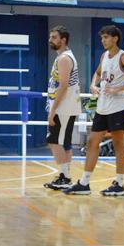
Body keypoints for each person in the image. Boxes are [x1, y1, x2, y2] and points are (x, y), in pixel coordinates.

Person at [65, 25, 124, 196]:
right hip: (102, 106)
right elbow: (97, 73)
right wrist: (94, 84)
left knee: (118, 144)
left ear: (115, 38)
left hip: (118, 107)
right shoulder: (104, 56)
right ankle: (85, 183)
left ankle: (119, 183)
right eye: (102, 38)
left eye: (106, 37)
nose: (103, 40)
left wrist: (120, 89)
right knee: (92, 142)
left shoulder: (123, 57)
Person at [43, 25, 82, 190]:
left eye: (54, 37)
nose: (50, 40)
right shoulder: (63, 57)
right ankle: (64, 175)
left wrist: (52, 111)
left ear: (63, 40)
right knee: (62, 142)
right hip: (64, 106)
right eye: (50, 37)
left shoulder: (64, 58)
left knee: (54, 141)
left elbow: (64, 85)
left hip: (64, 107)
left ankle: (65, 177)